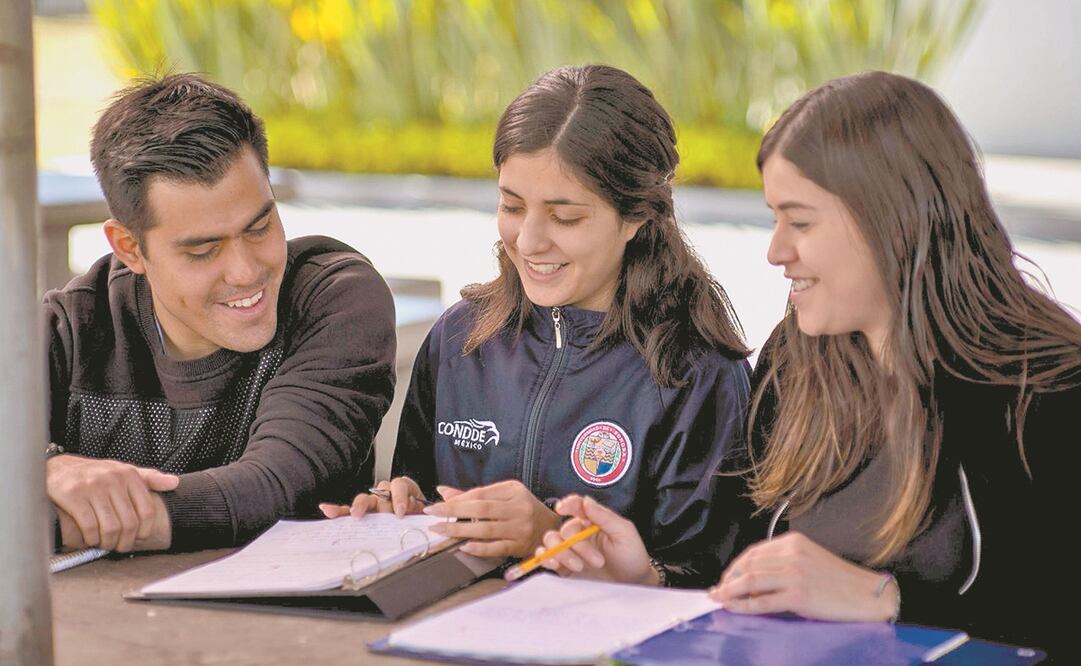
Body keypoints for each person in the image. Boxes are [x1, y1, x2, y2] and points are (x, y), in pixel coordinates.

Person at [537, 71, 1076, 656]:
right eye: (774, 218)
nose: (776, 251)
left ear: (890, 219)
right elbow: (743, 580)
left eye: (800, 222)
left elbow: (1053, 618)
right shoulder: (795, 361)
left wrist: (886, 600)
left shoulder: (1048, 389)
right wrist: (647, 581)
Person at [321, 64, 751, 587]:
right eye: (511, 206)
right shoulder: (459, 341)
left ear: (637, 216)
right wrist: (397, 509)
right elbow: (427, 508)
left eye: (565, 217)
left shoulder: (696, 374)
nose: (527, 241)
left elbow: (709, 584)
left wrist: (552, 535)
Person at [44, 73, 396, 553]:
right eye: (203, 250)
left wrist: (44, 513)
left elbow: (276, 487)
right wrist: (44, 469)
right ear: (128, 247)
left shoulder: (333, 299)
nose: (246, 271)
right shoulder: (70, 329)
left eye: (259, 226)